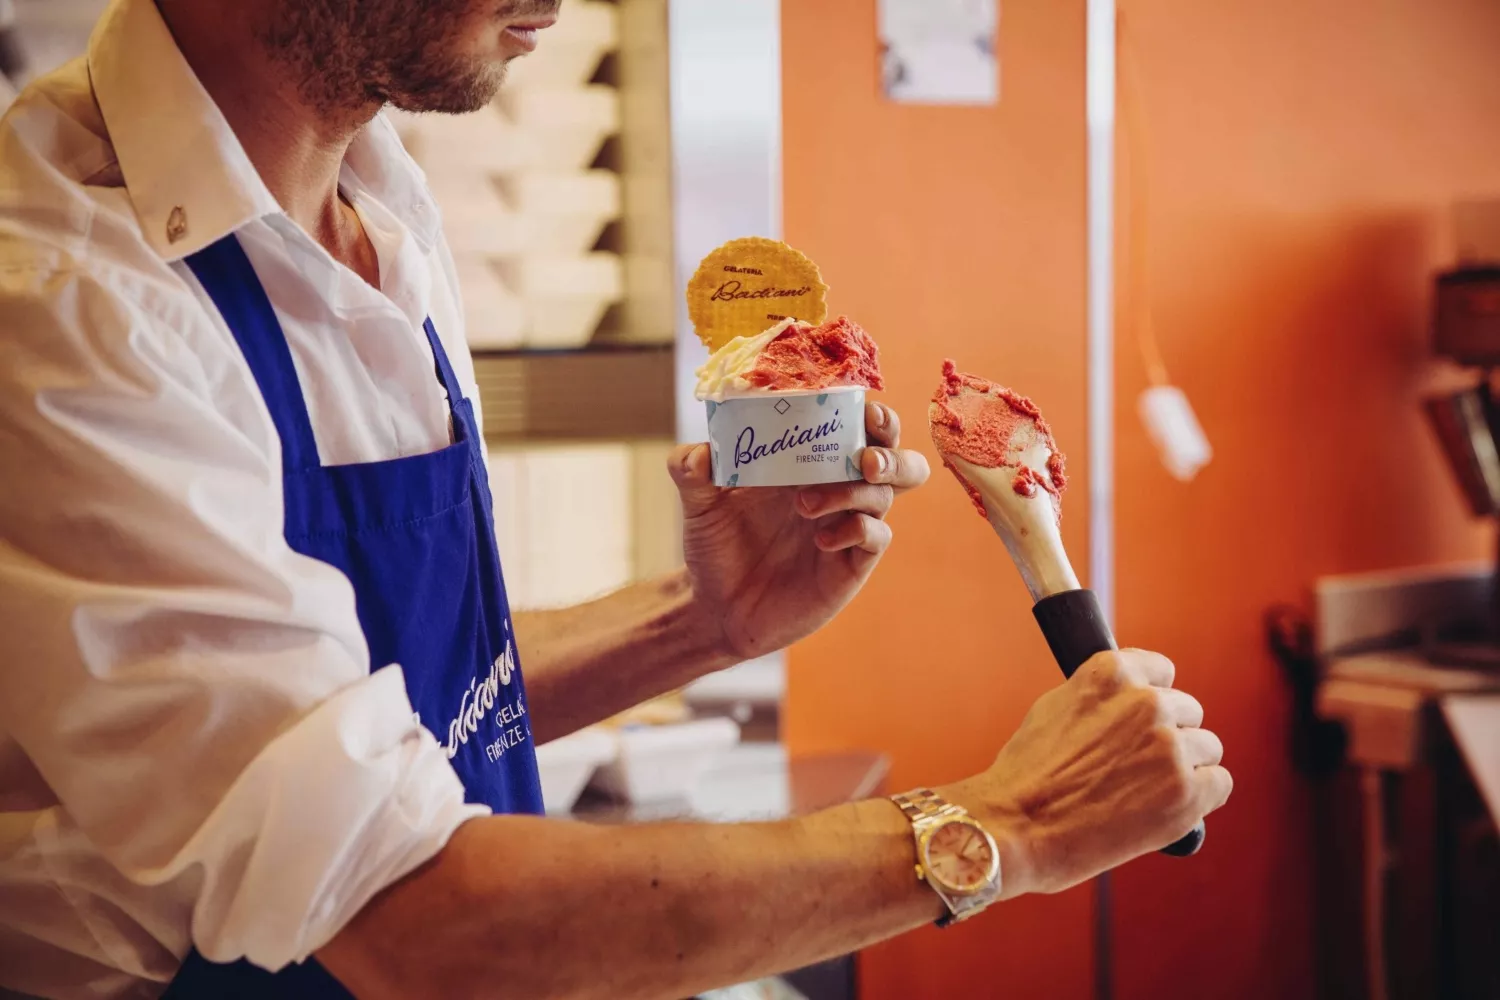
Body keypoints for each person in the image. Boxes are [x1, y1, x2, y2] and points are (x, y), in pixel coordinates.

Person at [0, 1, 1232, 998]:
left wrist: (701, 625)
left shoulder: (380, 204)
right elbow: (408, 921)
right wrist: (1008, 821)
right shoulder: (67, 307)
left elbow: (369, 713)